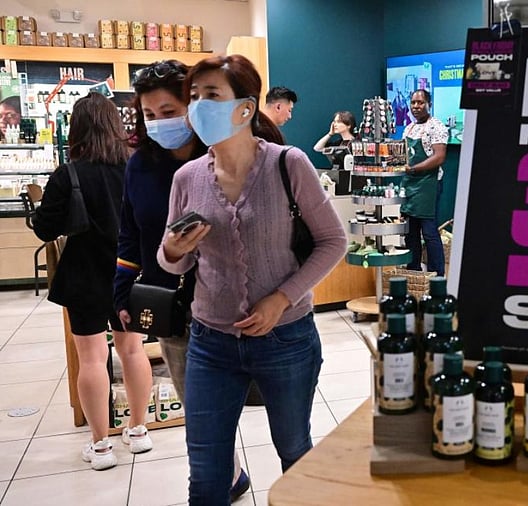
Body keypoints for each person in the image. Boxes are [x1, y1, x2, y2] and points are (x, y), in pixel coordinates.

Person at [157, 54, 346, 504]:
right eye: (195, 97)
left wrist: (281, 298)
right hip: (209, 342)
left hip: (286, 339)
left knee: (295, 452)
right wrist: (173, 251)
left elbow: (333, 242)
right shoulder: (186, 177)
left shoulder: (289, 164)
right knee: (206, 471)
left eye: (213, 96)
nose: (200, 106)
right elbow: (173, 264)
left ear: (244, 108)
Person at [112, 60, 253, 501]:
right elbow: (130, 234)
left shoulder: (224, 154)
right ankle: (226, 477)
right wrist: (120, 291)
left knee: (246, 404)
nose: (159, 122)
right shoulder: (140, 166)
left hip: (233, 302)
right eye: (150, 115)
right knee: (197, 408)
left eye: (169, 110)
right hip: (171, 304)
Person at [32, 92, 154, 471]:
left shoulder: (68, 174)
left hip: (83, 276)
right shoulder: (137, 167)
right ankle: (138, 431)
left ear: (76, 130)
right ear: (117, 127)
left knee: (91, 358)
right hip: (129, 274)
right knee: (132, 351)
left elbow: (45, 229)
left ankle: (101, 445)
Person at [401, 89, 448, 276]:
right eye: (413, 103)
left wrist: (414, 168)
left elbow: (439, 157)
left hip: (428, 185)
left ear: (429, 104)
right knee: (410, 233)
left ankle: (437, 275)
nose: (416, 106)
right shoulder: (409, 128)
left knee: (429, 233)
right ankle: (413, 272)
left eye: (420, 103)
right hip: (409, 185)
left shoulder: (436, 126)